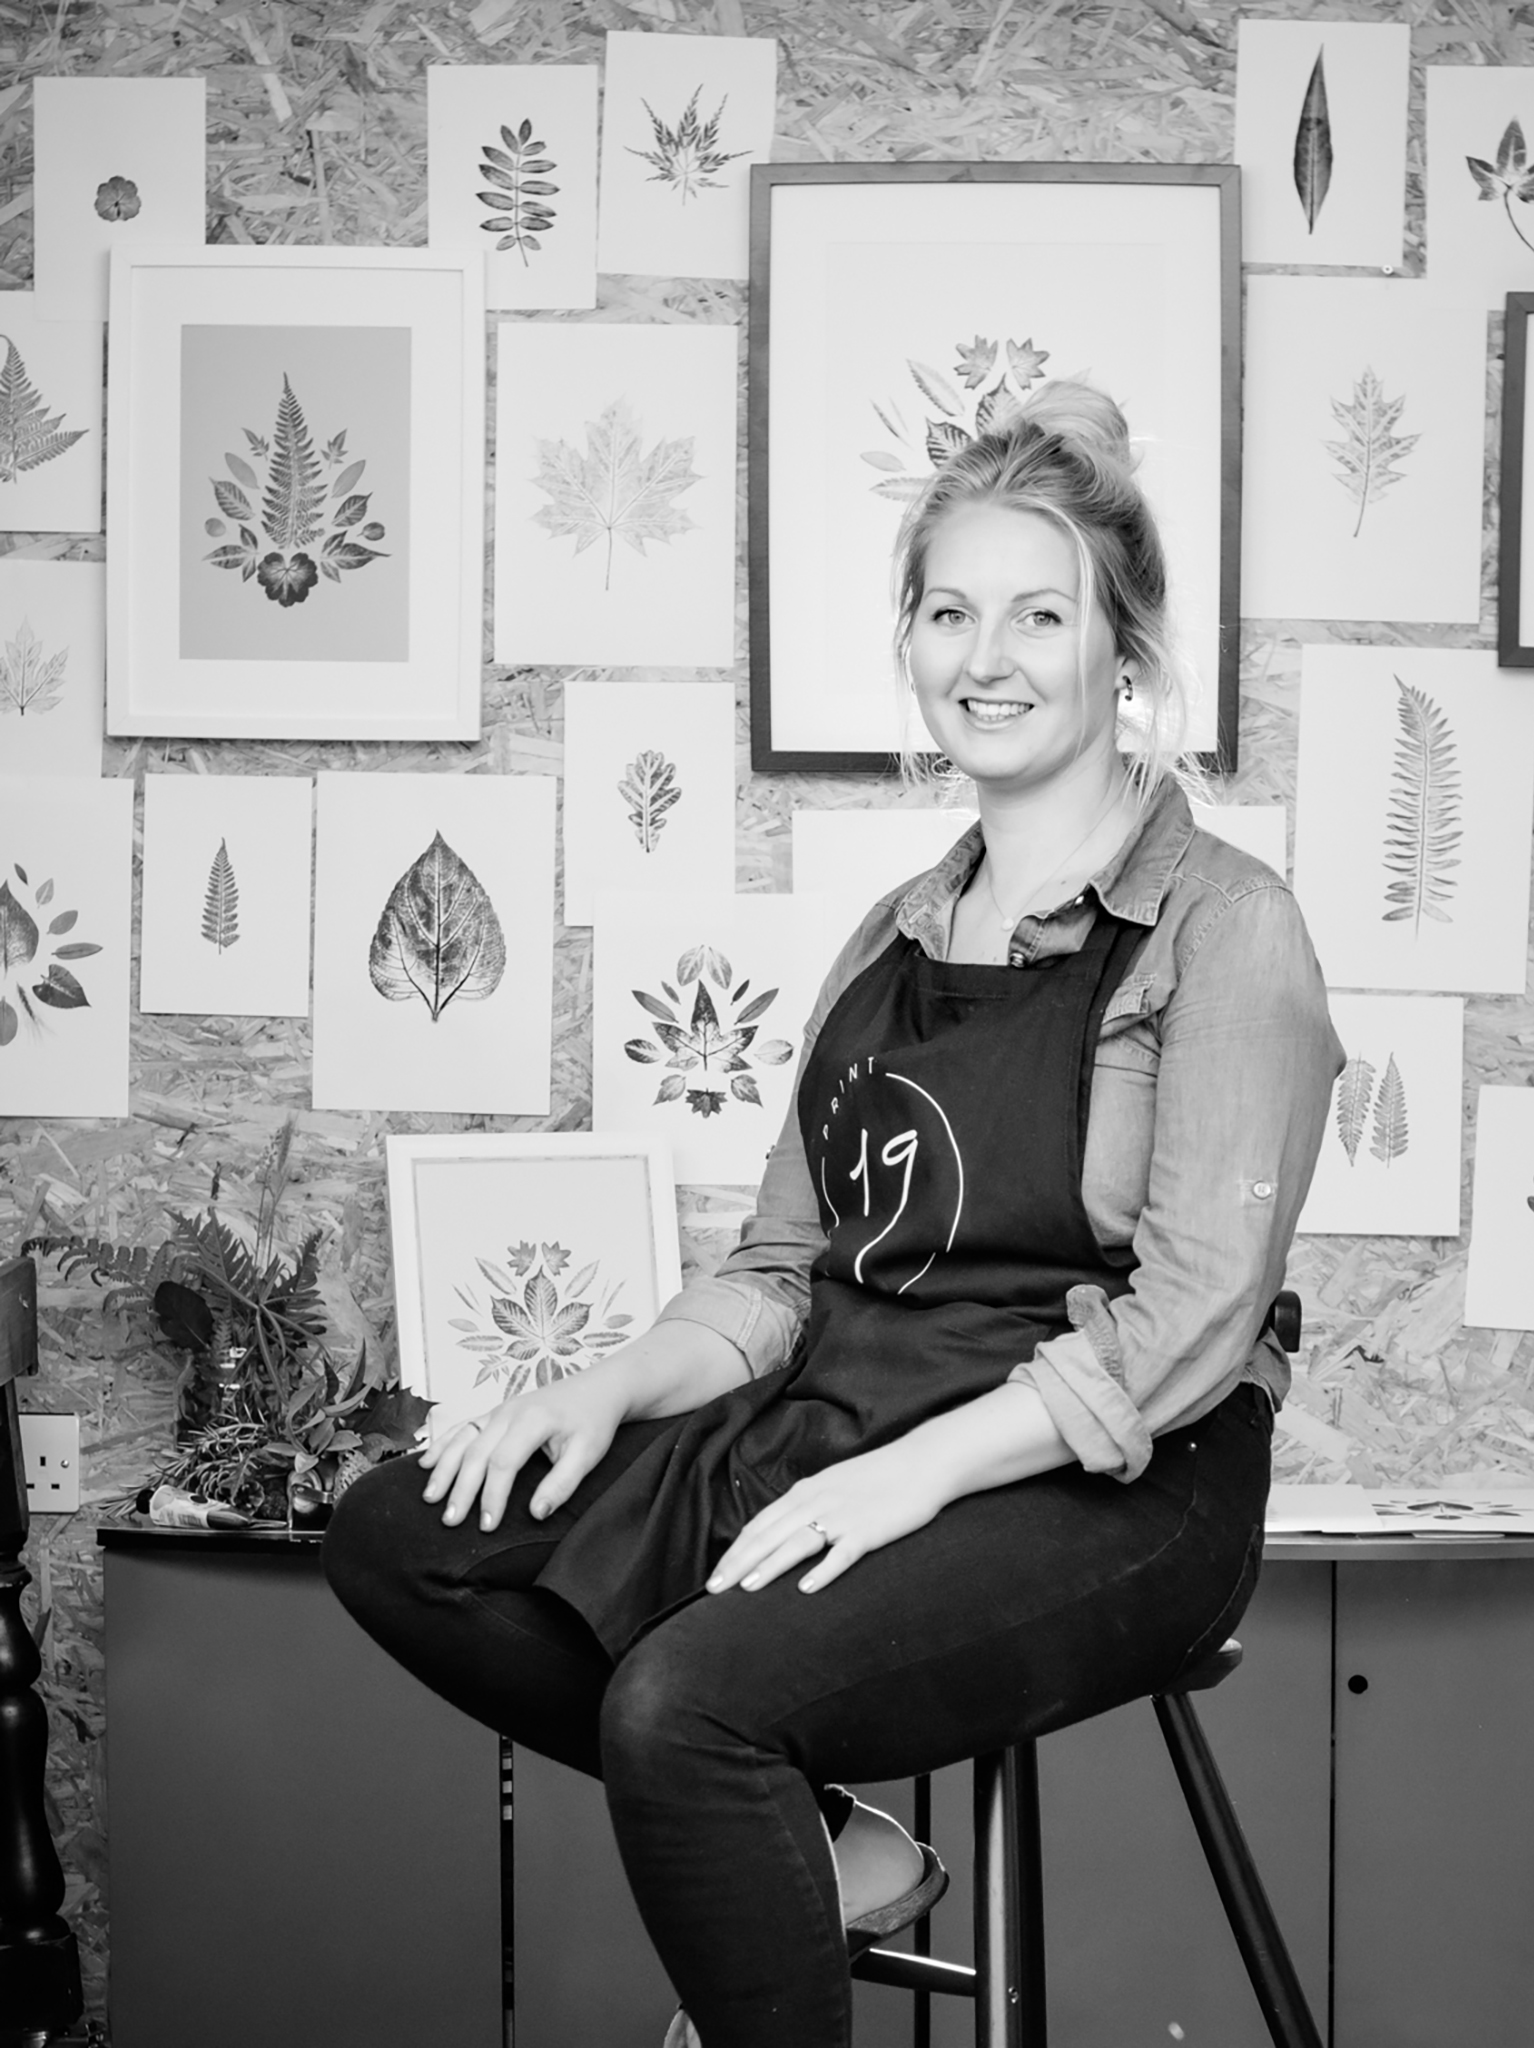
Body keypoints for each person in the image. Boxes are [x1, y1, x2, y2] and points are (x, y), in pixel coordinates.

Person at [323, 380, 1341, 2048]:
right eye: (949, 612)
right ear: (911, 641)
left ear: (1124, 649)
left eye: (1040, 613)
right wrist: (609, 1387)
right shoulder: (891, 935)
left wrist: (910, 1477)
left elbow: (1188, 1331)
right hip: (858, 1406)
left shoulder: (1227, 928)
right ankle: (818, 1843)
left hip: (1118, 1479)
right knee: (401, 1537)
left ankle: (745, 1815)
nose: (986, 657)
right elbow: (784, 1271)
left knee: (682, 1707)